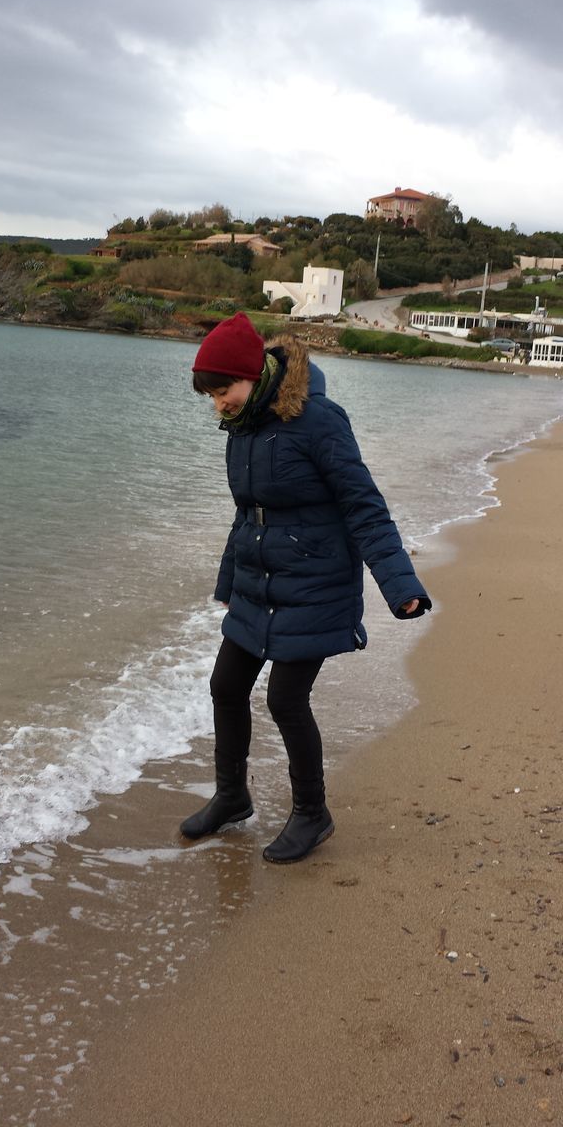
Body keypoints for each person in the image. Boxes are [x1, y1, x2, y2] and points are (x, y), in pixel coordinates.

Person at [181, 312, 431, 864]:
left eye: (223, 390)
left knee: (285, 699)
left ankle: (312, 814)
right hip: (257, 586)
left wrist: (398, 583)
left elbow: (364, 507)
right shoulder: (242, 428)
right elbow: (246, 515)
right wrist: (229, 581)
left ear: (253, 374)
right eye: (211, 394)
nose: (217, 403)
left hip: (315, 585)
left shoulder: (319, 420)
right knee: (226, 686)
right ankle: (232, 797)